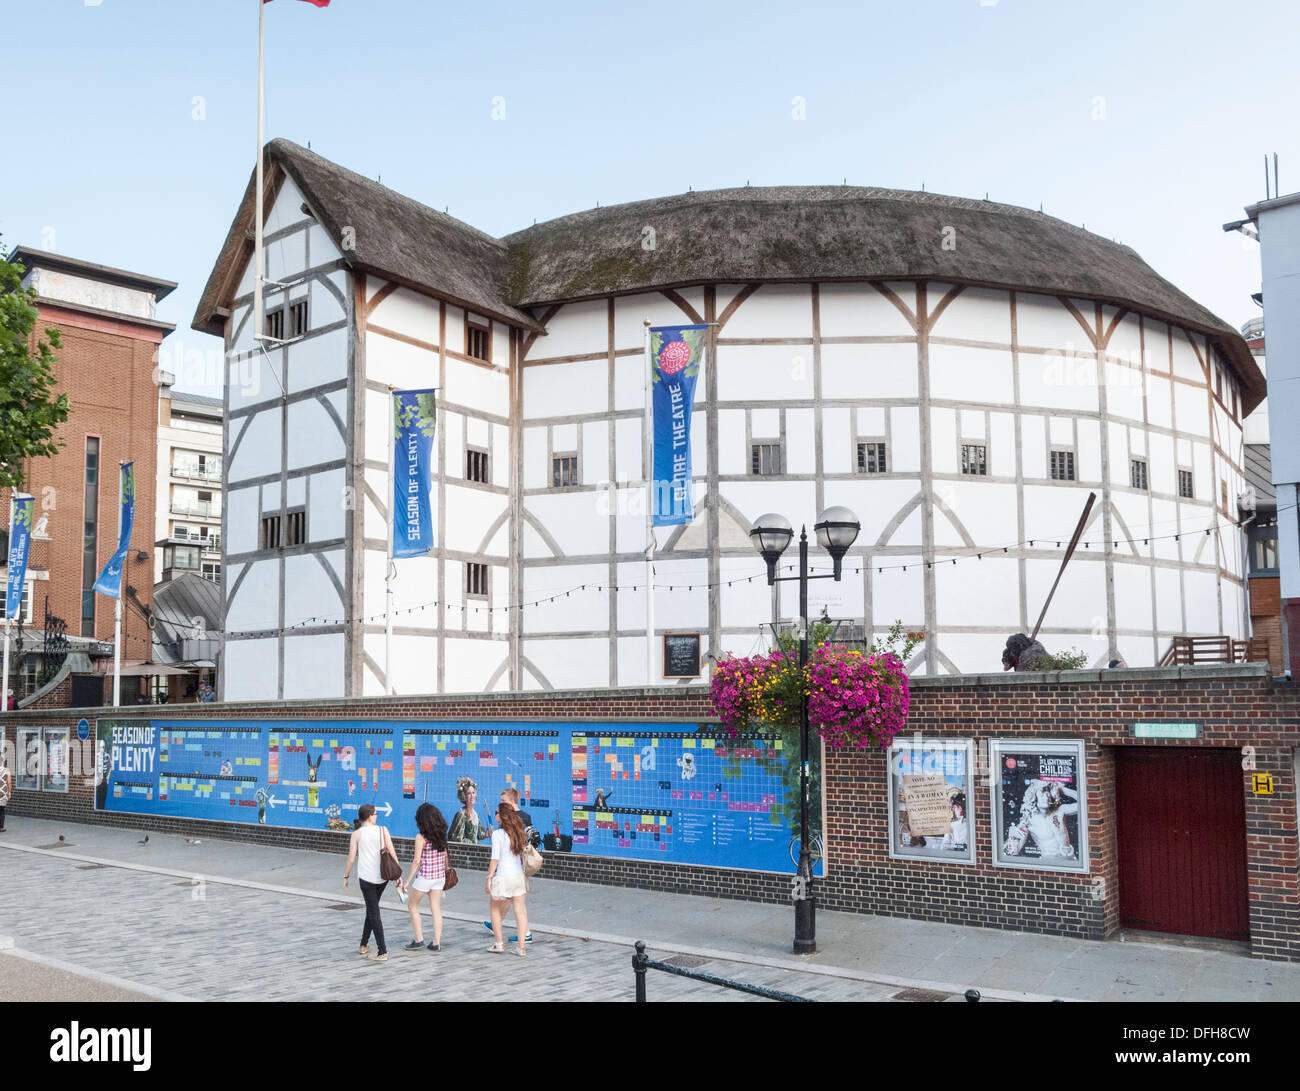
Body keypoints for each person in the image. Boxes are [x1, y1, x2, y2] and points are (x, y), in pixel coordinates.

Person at [343, 803, 398, 962]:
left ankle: (383, 951)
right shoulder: (383, 830)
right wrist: (398, 875)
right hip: (383, 878)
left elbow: (352, 859)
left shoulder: (356, 835)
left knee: (373, 911)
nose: (376, 816)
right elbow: (392, 853)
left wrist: (346, 876)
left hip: (366, 878)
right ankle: (363, 944)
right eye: (375, 814)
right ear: (369, 816)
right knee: (372, 908)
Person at [484, 789, 534, 943]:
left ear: (511, 801)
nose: (501, 805)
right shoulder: (525, 818)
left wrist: (489, 877)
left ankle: (499, 927)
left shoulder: (511, 822)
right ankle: (523, 938)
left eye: (503, 801)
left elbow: (496, 857)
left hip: (509, 870)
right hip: (519, 870)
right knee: (517, 904)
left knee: (506, 901)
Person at [399, 803, 448, 952]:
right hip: (439, 877)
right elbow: (445, 856)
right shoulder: (441, 834)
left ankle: (419, 939)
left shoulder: (421, 837)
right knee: (436, 909)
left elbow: (416, 862)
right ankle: (436, 942)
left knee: (412, 905)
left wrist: (406, 882)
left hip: (425, 877)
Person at [448, 776, 491, 844]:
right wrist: (471, 843)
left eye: (473, 793)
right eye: (469, 793)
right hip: (464, 852)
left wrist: (485, 834)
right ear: (464, 796)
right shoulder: (461, 815)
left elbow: (479, 834)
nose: (472, 796)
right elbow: (455, 838)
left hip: (475, 851)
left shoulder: (475, 814)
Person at [0, 754, 10, 832]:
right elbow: (9, 782)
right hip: (3, 793)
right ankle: (1, 827)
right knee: (2, 810)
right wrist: (9, 792)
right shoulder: (6, 770)